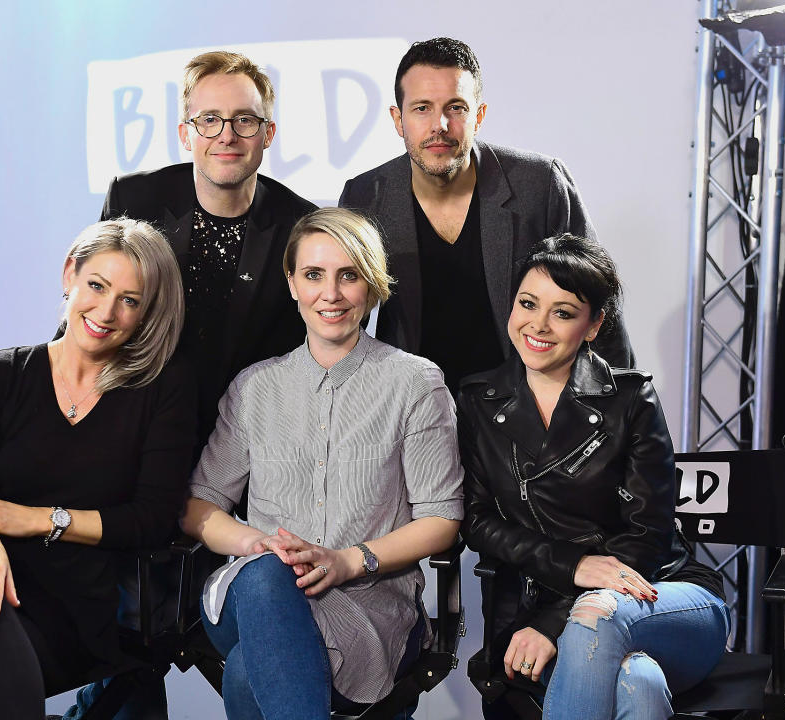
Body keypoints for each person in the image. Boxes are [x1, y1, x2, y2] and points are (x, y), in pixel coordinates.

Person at [0, 219, 196, 720]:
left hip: (72, 603)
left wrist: (36, 518)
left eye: (130, 300)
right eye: (96, 285)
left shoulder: (161, 391)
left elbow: (153, 518)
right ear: (69, 275)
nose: (106, 310)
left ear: (146, 314)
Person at [180, 207, 464, 720]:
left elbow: (441, 521)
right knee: (268, 576)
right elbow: (200, 506)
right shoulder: (254, 387)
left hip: (368, 605)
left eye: (348, 275)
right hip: (255, 596)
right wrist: (257, 544)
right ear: (291, 283)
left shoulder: (415, 384)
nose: (329, 293)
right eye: (313, 275)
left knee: (248, 669)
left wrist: (348, 560)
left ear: (372, 286)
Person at [457, 234, 728, 720]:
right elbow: (477, 520)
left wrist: (553, 620)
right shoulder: (479, 399)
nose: (538, 325)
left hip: (663, 595)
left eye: (562, 312)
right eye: (528, 303)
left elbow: (647, 538)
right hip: (559, 601)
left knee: (595, 615)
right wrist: (573, 565)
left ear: (593, 324)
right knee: (637, 684)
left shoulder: (632, 400)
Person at [339, 37, 633, 394]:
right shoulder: (366, 196)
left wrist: (614, 411)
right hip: (412, 409)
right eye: (421, 108)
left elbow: (600, 302)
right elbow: (341, 318)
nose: (440, 125)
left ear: (478, 116)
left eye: (456, 107)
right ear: (397, 119)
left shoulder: (539, 185)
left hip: (528, 409)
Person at [100, 49, 316, 446]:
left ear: (268, 134)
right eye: (209, 120)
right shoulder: (135, 199)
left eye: (245, 120)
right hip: (135, 423)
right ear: (186, 134)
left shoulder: (301, 225)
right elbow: (96, 310)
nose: (227, 135)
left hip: (253, 436)